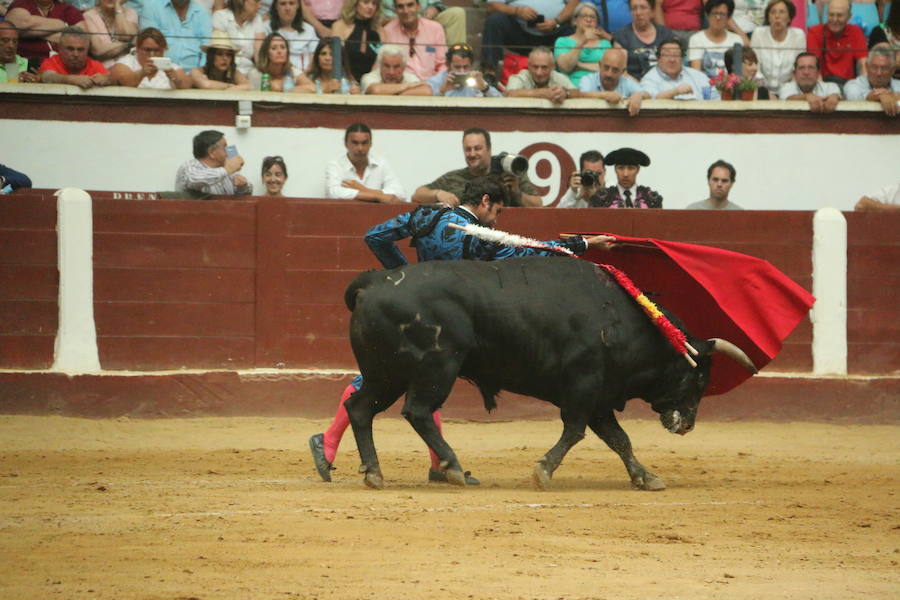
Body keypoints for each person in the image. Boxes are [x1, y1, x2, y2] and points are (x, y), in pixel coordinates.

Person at [308, 175, 615, 485]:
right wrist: (585, 243)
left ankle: (437, 464)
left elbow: (376, 236)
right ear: (484, 202)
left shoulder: (428, 213)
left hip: (415, 308)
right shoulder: (476, 235)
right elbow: (532, 251)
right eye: (496, 211)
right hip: (447, 314)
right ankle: (329, 440)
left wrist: (403, 278)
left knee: (427, 381)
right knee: (391, 380)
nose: (496, 219)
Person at [412, 127, 544, 207]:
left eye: (478, 148)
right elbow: (417, 195)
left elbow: (538, 205)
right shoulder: (453, 178)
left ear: (489, 149)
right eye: (468, 149)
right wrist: (438, 194)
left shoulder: (509, 175)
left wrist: (516, 193)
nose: (472, 154)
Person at [480, 0, 579, 80]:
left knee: (570, 29)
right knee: (495, 20)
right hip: (518, 32)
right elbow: (492, 6)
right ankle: (489, 72)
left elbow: (575, 3)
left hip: (554, 31)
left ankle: (570, 77)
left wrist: (556, 21)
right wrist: (516, 10)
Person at [324, 122, 406, 202]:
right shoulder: (335, 165)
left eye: (364, 143)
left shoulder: (381, 163)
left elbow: (400, 194)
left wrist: (363, 189)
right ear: (346, 144)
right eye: (355, 143)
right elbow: (333, 192)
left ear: (371, 143)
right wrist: (377, 197)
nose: (360, 148)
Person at [6, 0, 86, 66]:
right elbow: (19, 24)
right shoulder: (20, 4)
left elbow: (82, 37)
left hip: (62, 67)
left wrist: (32, 33)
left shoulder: (68, 10)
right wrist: (64, 25)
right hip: (27, 66)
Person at [175, 130, 253, 197]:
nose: (229, 151)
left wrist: (242, 187)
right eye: (225, 147)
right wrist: (226, 170)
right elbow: (194, 180)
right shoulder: (189, 167)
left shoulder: (225, 169)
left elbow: (247, 194)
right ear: (212, 152)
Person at [807, 0, 868, 85]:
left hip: (849, 85)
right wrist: (823, 90)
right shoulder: (815, 32)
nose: (835, 20)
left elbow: (863, 64)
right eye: (831, 15)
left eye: (839, 15)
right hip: (823, 83)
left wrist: (864, 86)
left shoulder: (856, 32)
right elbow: (814, 67)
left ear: (849, 17)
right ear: (827, 14)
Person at [110, 27, 193, 88]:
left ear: (164, 50)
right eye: (147, 50)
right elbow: (123, 81)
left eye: (157, 50)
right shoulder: (126, 63)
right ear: (138, 49)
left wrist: (176, 79)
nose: (152, 55)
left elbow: (187, 84)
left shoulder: (171, 67)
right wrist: (142, 73)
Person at [751, 0, 806, 92]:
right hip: (761, 89)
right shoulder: (758, 33)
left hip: (789, 90)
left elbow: (798, 68)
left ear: (789, 18)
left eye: (782, 12)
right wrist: (765, 92)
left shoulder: (798, 35)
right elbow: (755, 68)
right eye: (773, 12)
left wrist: (787, 92)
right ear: (768, 17)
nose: (777, 16)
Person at [140, 0, 212, 71]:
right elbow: (148, 47)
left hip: (193, 76)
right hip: (159, 72)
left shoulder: (202, 14)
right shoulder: (152, 8)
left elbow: (207, 50)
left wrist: (199, 74)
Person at [382, 0, 445, 80]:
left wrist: (435, 83)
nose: (406, 11)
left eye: (410, 5)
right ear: (395, 10)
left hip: (431, 84)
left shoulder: (435, 29)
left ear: (418, 7)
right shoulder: (388, 31)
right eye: (400, 7)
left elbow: (442, 64)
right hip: (402, 84)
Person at [554, 2, 612, 87]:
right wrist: (583, 41)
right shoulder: (562, 41)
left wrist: (579, 65)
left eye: (592, 17)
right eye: (584, 16)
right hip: (572, 87)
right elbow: (565, 67)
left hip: (599, 88)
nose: (589, 20)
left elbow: (608, 71)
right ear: (575, 21)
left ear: (597, 23)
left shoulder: (605, 44)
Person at [612, 0, 674, 79]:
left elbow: (673, 66)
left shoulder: (665, 34)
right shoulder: (622, 36)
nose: (638, 13)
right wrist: (641, 88)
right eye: (634, 8)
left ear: (652, 11)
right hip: (635, 86)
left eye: (643, 7)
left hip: (664, 84)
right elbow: (622, 72)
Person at [640, 36, 717, 99]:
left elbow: (714, 97)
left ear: (682, 58)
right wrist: (675, 92)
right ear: (658, 58)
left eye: (676, 55)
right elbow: (652, 99)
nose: (672, 60)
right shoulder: (649, 79)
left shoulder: (698, 76)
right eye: (667, 55)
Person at [39, 26, 113, 88]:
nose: (75, 54)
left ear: (88, 50)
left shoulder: (94, 65)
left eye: (80, 50)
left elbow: (109, 78)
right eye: (70, 49)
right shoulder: (51, 62)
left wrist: (108, 79)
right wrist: (70, 79)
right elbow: (47, 77)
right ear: (60, 49)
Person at [578, 47, 647, 114]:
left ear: (622, 72)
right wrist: (605, 95)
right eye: (606, 68)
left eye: (615, 70)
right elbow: (581, 94)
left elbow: (647, 94)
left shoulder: (626, 82)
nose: (609, 74)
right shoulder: (588, 79)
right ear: (600, 65)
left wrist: (638, 96)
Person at [589, 146, 663, 208]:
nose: (625, 174)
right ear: (615, 169)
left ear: (638, 170)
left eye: (631, 168)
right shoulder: (600, 199)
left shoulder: (651, 199)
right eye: (621, 168)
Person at [688, 0, 744, 78]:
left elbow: (738, 73)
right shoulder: (696, 39)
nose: (718, 18)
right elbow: (696, 72)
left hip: (731, 87)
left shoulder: (736, 40)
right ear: (707, 15)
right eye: (714, 13)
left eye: (722, 14)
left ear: (728, 18)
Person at [505, 46, 580, 103]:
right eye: (535, 67)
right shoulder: (521, 77)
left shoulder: (558, 77)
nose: (539, 73)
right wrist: (543, 93)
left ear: (553, 67)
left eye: (544, 67)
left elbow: (576, 92)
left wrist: (565, 93)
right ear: (528, 66)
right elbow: (509, 94)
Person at [332, 0, 383, 82]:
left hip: (371, 81)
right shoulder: (339, 26)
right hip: (344, 79)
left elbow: (380, 63)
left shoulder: (380, 31)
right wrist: (351, 81)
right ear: (354, 4)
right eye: (366, 2)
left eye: (374, 4)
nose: (370, 7)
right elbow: (337, 61)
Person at [427, 41, 502, 97]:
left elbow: (501, 102)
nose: (462, 71)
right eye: (457, 67)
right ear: (448, 65)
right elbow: (425, 105)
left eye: (466, 67)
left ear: (471, 65)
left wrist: (485, 89)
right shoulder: (436, 80)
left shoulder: (477, 80)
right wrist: (442, 91)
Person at [212, 0, 266, 75]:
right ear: (241, 1)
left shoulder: (257, 19)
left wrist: (263, 71)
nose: (260, 6)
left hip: (250, 71)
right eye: (256, 1)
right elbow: (220, 52)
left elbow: (259, 53)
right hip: (226, 71)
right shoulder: (220, 16)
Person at [843, 43, 899, 115]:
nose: (879, 73)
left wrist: (892, 95)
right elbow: (853, 97)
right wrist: (878, 96)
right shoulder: (853, 85)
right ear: (867, 67)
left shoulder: (898, 85)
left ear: (893, 70)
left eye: (884, 68)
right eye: (874, 67)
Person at [264, 0, 319, 72]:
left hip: (305, 75)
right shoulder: (266, 27)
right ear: (276, 7)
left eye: (291, 3)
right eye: (283, 4)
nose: (287, 8)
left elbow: (314, 59)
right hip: (277, 74)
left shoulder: (309, 29)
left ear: (298, 6)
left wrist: (303, 76)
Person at [379, 0, 467, 45]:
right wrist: (386, 20)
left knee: (457, 13)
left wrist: (434, 9)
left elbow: (438, 4)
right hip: (395, 22)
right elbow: (372, 9)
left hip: (425, 19)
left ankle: (457, 60)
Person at [83, 0, 139, 69]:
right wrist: (128, 44)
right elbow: (98, 50)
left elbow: (125, 36)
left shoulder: (130, 13)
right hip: (103, 69)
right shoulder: (90, 15)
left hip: (129, 67)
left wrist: (118, 7)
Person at [360, 42, 431, 94]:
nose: (391, 72)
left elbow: (427, 91)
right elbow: (376, 90)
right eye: (387, 66)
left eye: (396, 67)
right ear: (380, 66)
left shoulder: (411, 78)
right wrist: (409, 87)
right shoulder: (369, 77)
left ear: (403, 67)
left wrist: (390, 91)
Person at [295, 36, 360, 93]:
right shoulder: (308, 80)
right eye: (323, 54)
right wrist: (324, 91)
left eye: (332, 54)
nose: (327, 58)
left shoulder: (348, 81)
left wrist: (356, 95)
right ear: (317, 57)